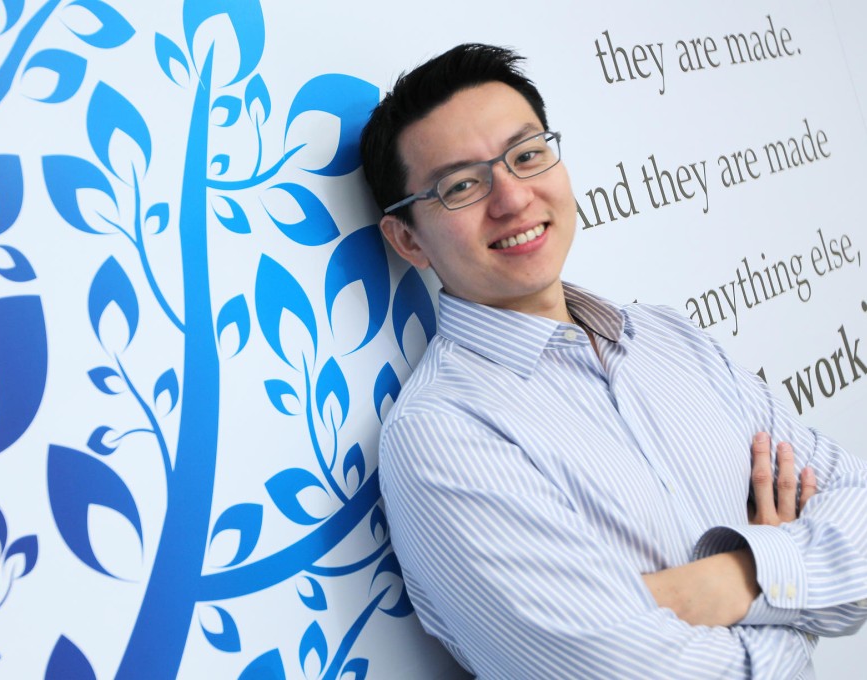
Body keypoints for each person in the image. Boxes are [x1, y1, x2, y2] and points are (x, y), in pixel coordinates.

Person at [359, 43, 867, 679]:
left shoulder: (669, 338)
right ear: (408, 238)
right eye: (461, 185)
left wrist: (733, 577)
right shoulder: (443, 436)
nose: (512, 198)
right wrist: (798, 605)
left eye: (527, 154)